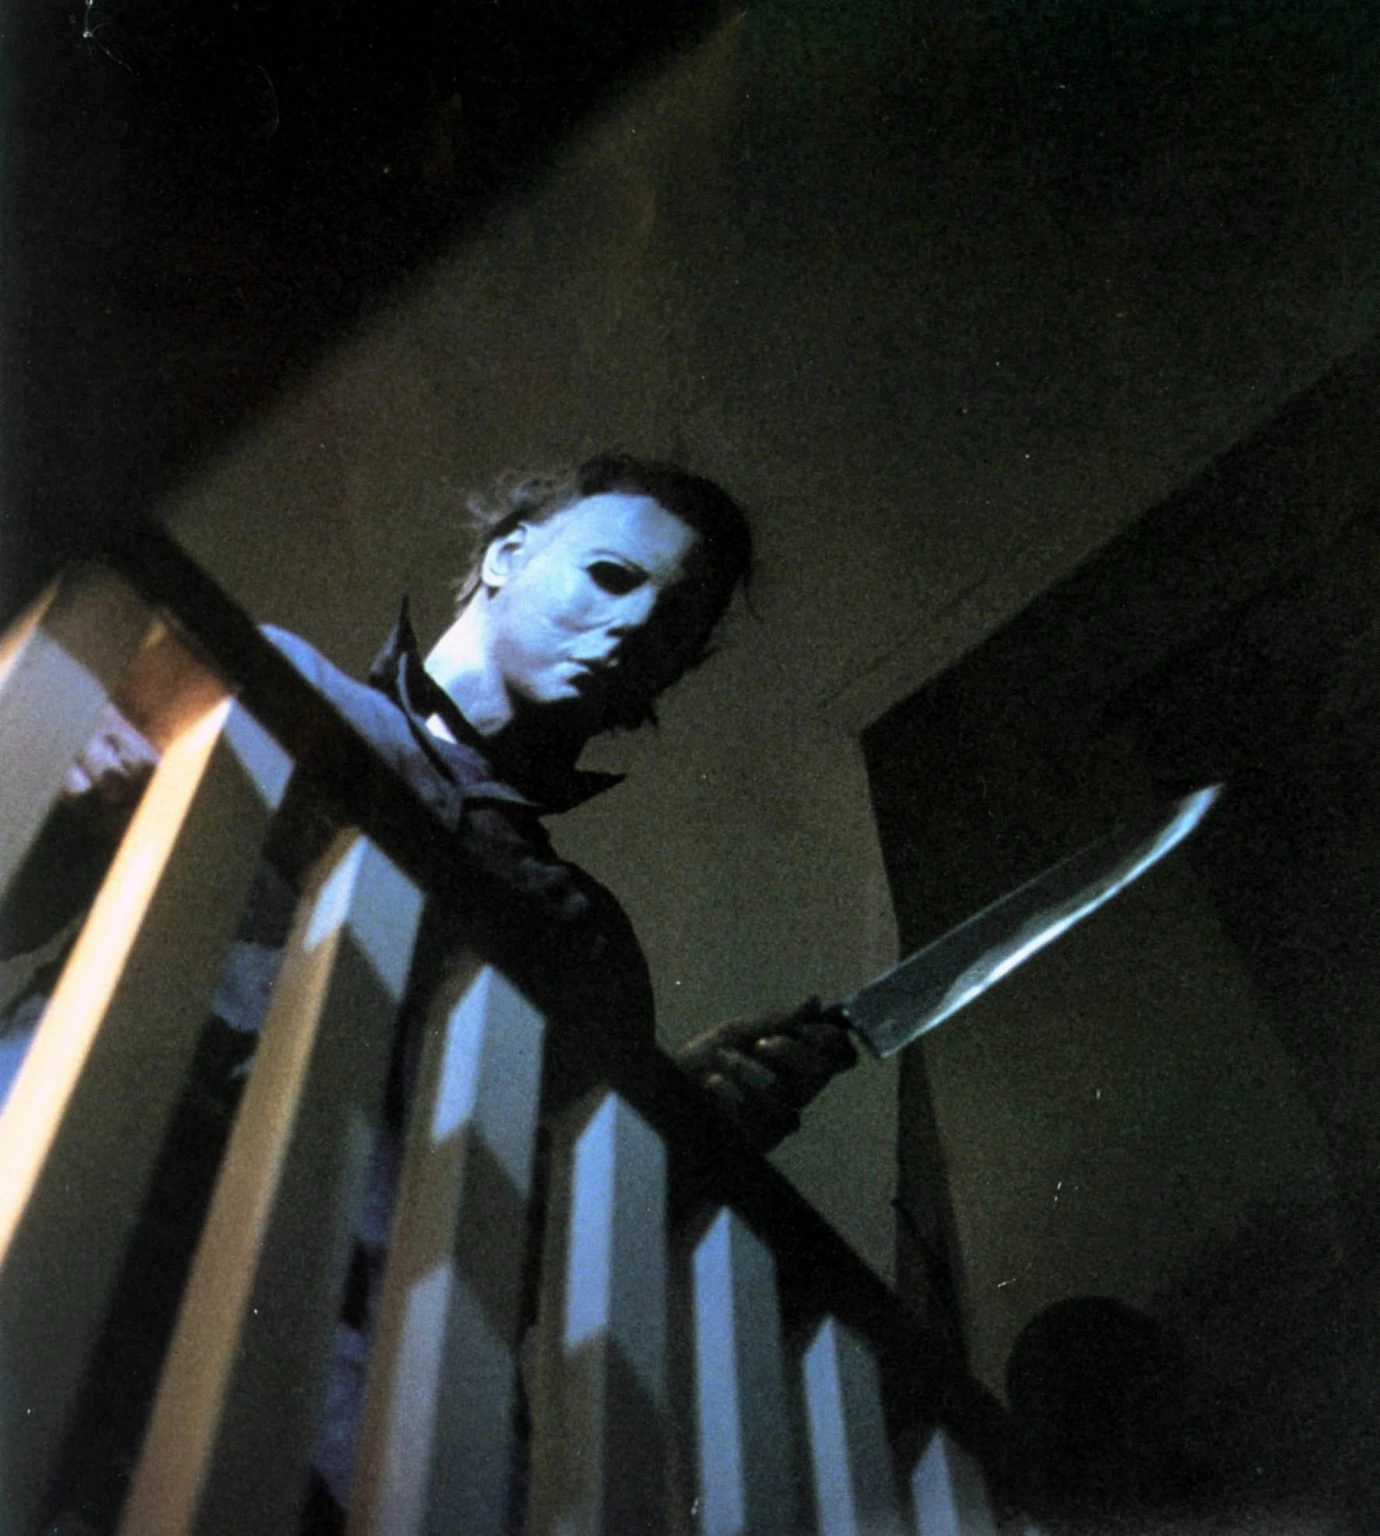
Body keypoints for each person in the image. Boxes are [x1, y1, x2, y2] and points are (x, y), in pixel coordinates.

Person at [2, 453, 858, 1528]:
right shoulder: (271, 679)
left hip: (331, 1374)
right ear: (507, 555)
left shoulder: (584, 936)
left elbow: (531, 1259)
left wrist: (669, 1137)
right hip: (74, 1192)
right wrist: (56, 763)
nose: (636, 625)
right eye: (611, 575)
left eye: (673, 629)